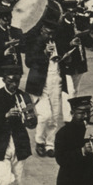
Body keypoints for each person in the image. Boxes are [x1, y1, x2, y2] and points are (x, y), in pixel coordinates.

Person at [23, 18, 64, 157]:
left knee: (55, 116)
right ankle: (39, 142)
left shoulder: (56, 41)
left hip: (56, 81)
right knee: (45, 115)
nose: (50, 36)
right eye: (47, 33)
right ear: (41, 30)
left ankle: (50, 144)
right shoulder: (34, 42)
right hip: (40, 83)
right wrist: (44, 54)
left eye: (52, 33)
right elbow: (29, 62)